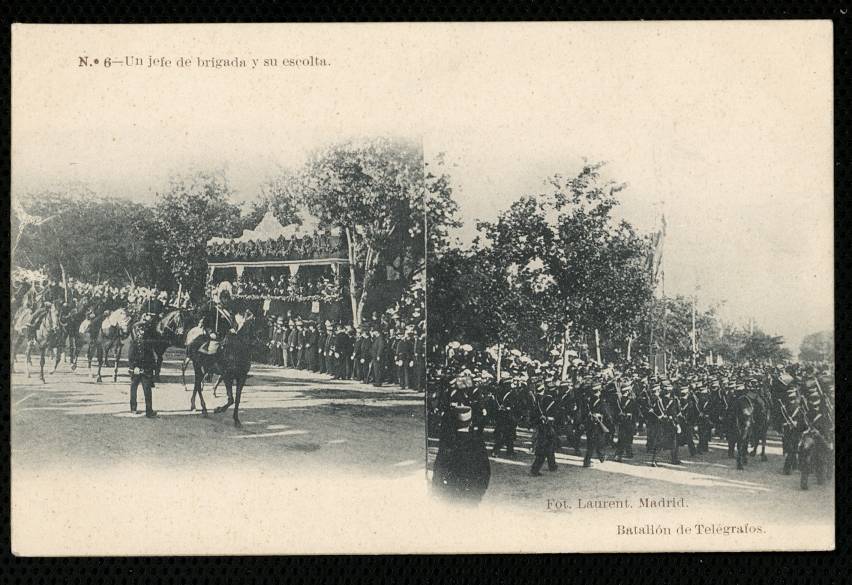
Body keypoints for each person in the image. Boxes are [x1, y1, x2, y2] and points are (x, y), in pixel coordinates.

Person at [127, 311, 159, 418]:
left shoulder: (148, 342)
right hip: (137, 368)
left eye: (144, 330)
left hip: (146, 368)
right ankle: (133, 408)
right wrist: (133, 367)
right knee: (134, 387)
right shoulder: (134, 343)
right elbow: (131, 357)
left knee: (147, 389)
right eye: (140, 330)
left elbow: (151, 356)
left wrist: (153, 368)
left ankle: (148, 410)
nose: (142, 332)